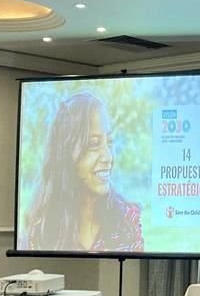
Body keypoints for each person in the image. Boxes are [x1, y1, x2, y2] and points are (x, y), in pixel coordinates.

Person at [23, 92, 143, 252]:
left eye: (109, 142)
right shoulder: (41, 225)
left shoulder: (128, 220)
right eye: (93, 144)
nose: (108, 157)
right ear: (66, 152)